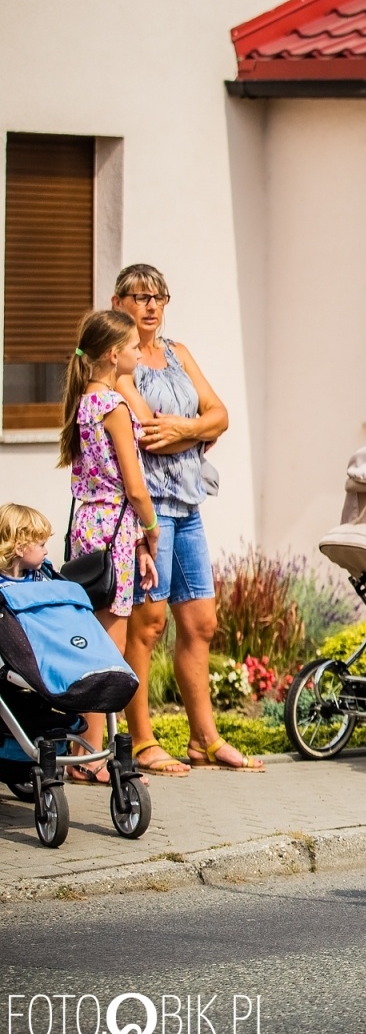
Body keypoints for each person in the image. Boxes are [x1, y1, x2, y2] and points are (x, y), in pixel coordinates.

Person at [112, 265, 255, 774]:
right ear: (119, 300)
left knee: (201, 622)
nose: (151, 306)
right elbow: (148, 429)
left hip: (188, 506)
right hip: (148, 510)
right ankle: (143, 742)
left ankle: (204, 740)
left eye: (159, 297)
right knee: (147, 626)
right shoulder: (116, 359)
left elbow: (220, 414)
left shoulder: (178, 353)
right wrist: (196, 430)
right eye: (140, 296)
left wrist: (188, 428)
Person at [56, 311, 161, 782]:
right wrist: (151, 531)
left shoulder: (83, 400)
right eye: (135, 347)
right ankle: (93, 756)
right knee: (108, 645)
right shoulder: (115, 406)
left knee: (88, 635)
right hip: (115, 528)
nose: (141, 353)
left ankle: (85, 745)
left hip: (86, 527)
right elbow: (135, 487)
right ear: (114, 355)